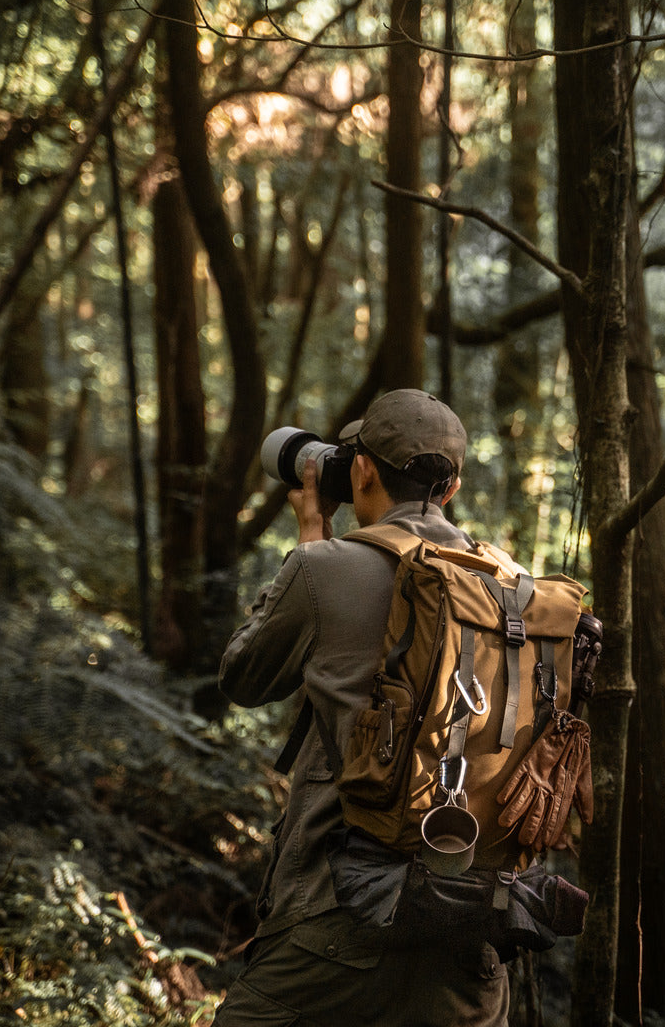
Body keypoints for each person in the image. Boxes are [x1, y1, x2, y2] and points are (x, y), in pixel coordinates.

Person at [215, 389, 510, 1027]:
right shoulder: (507, 583)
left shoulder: (325, 569)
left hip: (336, 915)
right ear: (453, 487)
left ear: (363, 471)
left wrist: (309, 545)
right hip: (472, 925)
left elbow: (242, 677)